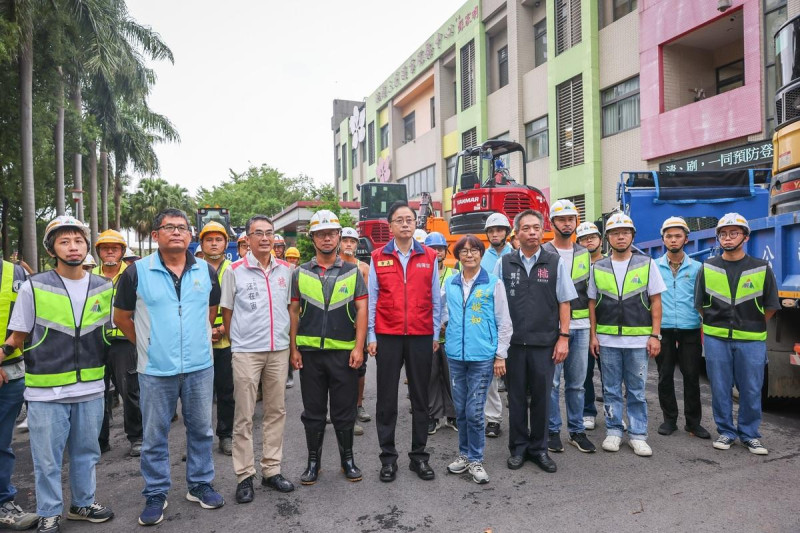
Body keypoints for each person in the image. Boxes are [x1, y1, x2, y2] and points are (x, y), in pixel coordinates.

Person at [114, 208, 225, 526]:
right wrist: (146, 344)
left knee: (202, 429)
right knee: (155, 434)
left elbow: (210, 311)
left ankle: (200, 484)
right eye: (169, 227)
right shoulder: (137, 273)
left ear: (190, 236)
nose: (176, 232)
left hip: (200, 366)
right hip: (155, 371)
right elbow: (122, 317)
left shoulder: (206, 271)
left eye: (182, 227)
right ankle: (155, 492)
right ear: (156, 235)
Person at [4, 215, 115, 533]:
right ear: (52, 247)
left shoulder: (103, 287)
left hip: (92, 388)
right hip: (46, 391)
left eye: (78, 240)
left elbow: (111, 332)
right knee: (47, 458)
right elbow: (17, 337)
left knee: (87, 452)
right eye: (64, 241)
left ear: (86, 246)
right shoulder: (33, 287)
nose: (73, 246)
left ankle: (82, 504)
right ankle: (49, 511)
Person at [220, 215, 295, 504]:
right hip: (247, 352)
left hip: (279, 351)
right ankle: (244, 475)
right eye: (258, 233)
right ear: (247, 239)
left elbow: (291, 309)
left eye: (269, 233)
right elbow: (227, 311)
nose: (265, 238)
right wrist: (238, 341)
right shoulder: (234, 270)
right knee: (245, 415)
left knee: (276, 412)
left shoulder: (285, 270)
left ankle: (271, 470)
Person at [289, 211, 368, 485]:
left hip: (343, 353)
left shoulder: (352, 272)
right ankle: (314, 463)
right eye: (321, 234)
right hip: (310, 355)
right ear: (312, 238)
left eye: (331, 233)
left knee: (344, 411)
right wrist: (293, 349)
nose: (326, 238)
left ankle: (348, 460)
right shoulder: (300, 273)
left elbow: (362, 309)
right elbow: (294, 311)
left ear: (338, 237)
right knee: (313, 411)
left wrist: (359, 347)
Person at [495, 210, 576, 473]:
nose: (532, 232)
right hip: (514, 345)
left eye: (536, 228)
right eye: (526, 228)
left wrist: (563, 338)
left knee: (543, 397)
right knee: (516, 398)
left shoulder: (554, 262)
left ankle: (539, 449)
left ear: (543, 232)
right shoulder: (504, 263)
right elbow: (495, 303)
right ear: (516, 233)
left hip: (545, 343)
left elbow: (565, 301)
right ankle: (518, 448)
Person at [367, 201, 441, 482]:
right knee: (386, 399)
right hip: (388, 336)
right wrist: (372, 336)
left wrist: (434, 333)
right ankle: (388, 459)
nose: (406, 224)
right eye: (400, 220)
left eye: (410, 219)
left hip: (421, 336)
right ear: (391, 226)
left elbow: (435, 299)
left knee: (421, 398)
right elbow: (373, 299)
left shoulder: (430, 256)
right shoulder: (377, 257)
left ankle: (419, 457)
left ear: (415, 224)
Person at [695, 213, 779, 455]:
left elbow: (771, 305)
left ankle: (750, 434)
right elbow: (700, 303)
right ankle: (726, 431)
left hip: (751, 339)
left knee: (751, 388)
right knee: (720, 388)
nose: (728, 238)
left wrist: (750, 324)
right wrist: (716, 323)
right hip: (715, 338)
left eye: (734, 233)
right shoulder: (708, 267)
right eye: (723, 233)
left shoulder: (761, 268)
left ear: (745, 236)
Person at [589, 213, 665, 457]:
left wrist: (655, 335)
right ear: (607, 238)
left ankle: (638, 434)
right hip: (608, 339)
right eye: (614, 233)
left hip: (638, 340)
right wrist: (593, 336)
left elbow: (656, 301)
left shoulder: (647, 264)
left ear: (632, 235)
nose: (620, 237)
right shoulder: (597, 267)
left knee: (636, 390)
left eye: (625, 232)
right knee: (610, 388)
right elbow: (592, 304)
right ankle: (613, 430)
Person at [443, 236, 512, 485]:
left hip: (482, 357)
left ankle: (476, 459)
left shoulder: (493, 283)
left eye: (474, 251)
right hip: (455, 356)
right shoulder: (450, 283)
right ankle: (464, 454)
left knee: (474, 411)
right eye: (464, 251)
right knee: (460, 410)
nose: (469, 255)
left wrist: (500, 354)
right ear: (458, 255)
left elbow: (504, 322)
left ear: (481, 255)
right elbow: (441, 311)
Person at [543, 200, 596, 454]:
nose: (567, 223)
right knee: (551, 383)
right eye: (562, 219)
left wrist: (593, 333)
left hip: (582, 326)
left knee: (577, 383)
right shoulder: (543, 252)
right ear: (552, 223)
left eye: (571, 219)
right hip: (552, 327)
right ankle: (552, 431)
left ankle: (576, 430)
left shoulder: (584, 253)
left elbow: (591, 295)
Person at [655, 217, 709, 439]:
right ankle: (669, 419)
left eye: (678, 236)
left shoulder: (697, 268)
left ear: (686, 239)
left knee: (691, 376)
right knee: (664, 375)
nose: (673, 239)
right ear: (663, 239)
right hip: (663, 328)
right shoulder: (654, 267)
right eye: (669, 236)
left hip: (690, 328)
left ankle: (693, 423)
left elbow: (704, 299)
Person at [94, 229, 143, 458]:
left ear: (122, 251)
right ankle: (99, 441)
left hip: (124, 341)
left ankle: (136, 437)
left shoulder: (134, 274)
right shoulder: (90, 276)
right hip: (95, 342)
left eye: (115, 247)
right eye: (105, 248)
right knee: (96, 392)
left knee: (130, 390)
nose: (110, 251)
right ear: (99, 252)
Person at [0, 258, 38, 530]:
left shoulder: (16, 272)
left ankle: (4, 502)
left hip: (12, 371)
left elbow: (29, 320)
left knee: (2, 444)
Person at [198, 221, 236, 456]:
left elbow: (240, 305)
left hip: (226, 340)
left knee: (226, 391)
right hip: (198, 341)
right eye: (209, 239)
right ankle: (199, 440)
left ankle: (226, 435)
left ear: (225, 243)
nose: (214, 243)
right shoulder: (192, 269)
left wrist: (221, 328)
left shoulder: (234, 269)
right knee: (197, 395)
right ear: (201, 244)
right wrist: (204, 329)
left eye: (218, 239)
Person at [481, 213, 514, 439]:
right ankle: (493, 418)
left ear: (507, 232)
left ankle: (520, 421)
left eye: (499, 230)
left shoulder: (517, 255)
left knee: (516, 375)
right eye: (491, 231)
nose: (495, 234)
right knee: (492, 375)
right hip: (493, 323)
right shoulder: (483, 259)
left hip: (518, 322)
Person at [424, 231, 457, 435]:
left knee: (452, 377)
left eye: (440, 248)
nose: (436, 252)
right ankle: (433, 416)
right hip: (428, 334)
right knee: (431, 377)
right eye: (432, 248)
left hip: (452, 334)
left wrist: (447, 323)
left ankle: (454, 416)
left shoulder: (455, 274)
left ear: (446, 251)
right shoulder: (421, 274)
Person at [340, 227, 371, 436]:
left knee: (359, 367)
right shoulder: (334, 266)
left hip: (357, 325)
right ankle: (337, 408)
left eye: (353, 241)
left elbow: (367, 299)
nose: (349, 244)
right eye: (345, 241)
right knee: (336, 367)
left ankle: (358, 405)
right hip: (339, 325)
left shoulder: (364, 268)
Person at [575, 221, 604, 430]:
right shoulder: (577, 266)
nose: (588, 241)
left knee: (610, 374)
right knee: (584, 373)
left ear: (600, 240)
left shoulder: (611, 264)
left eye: (592, 237)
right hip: (584, 325)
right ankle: (588, 411)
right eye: (584, 239)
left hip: (608, 326)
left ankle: (613, 411)